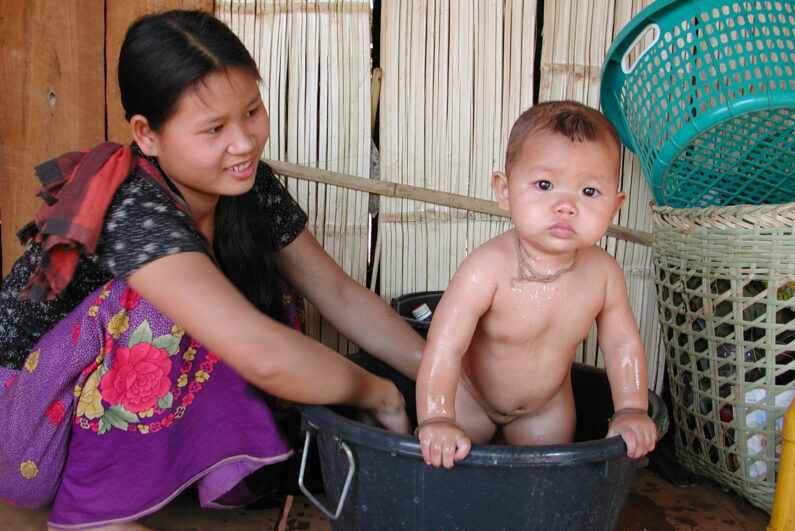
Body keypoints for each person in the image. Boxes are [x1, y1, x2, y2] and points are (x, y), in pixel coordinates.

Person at [0, 9, 423, 529]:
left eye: (251, 111)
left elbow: (338, 293)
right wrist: (378, 393)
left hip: (85, 407)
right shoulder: (131, 205)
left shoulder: (246, 184)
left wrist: (441, 377)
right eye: (214, 128)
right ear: (147, 134)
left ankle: (194, 471)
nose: (244, 142)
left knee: (256, 286)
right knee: (164, 311)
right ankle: (94, 515)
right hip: (25, 428)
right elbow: (263, 357)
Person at [415, 101, 657, 469]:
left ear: (615, 206)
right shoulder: (487, 268)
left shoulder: (604, 275)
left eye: (589, 192)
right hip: (471, 399)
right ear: (506, 191)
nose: (566, 206)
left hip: (546, 409)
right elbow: (445, 345)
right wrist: (436, 417)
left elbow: (622, 344)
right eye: (545, 185)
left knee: (543, 485)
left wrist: (631, 409)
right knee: (449, 471)